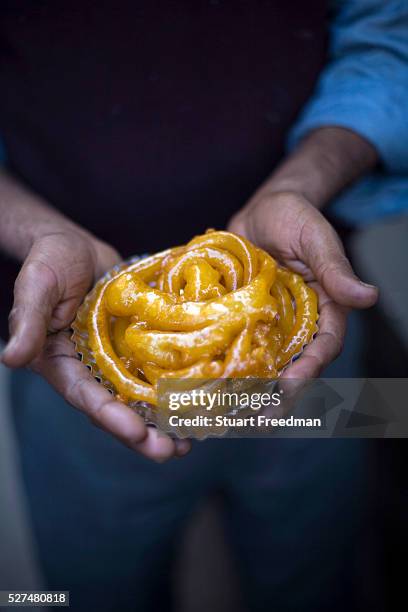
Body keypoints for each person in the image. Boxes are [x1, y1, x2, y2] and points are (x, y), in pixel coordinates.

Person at [0, 1, 406, 610]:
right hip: (71, 348)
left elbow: (390, 39)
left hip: (320, 326)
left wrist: (301, 185)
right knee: (88, 592)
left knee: (328, 567)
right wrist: (33, 232)